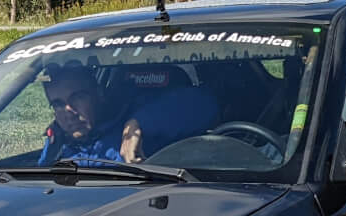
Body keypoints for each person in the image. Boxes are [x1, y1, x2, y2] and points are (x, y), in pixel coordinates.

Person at [38, 64, 215, 164]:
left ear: (99, 94)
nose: (69, 111)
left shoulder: (141, 121)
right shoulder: (57, 143)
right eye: (58, 104)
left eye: (77, 97)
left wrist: (138, 124)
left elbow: (206, 102)